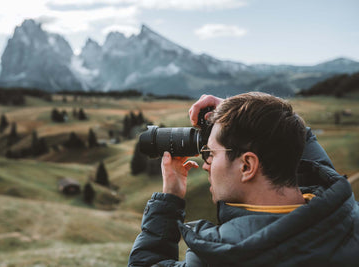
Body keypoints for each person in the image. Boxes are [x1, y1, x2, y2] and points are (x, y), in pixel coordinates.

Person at [128, 93, 359, 266]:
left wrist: (170, 197)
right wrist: (240, 112)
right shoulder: (342, 214)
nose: (205, 165)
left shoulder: (220, 257)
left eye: (210, 154)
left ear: (247, 166)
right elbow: (297, 137)